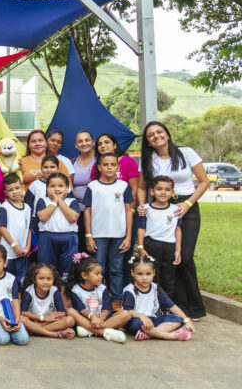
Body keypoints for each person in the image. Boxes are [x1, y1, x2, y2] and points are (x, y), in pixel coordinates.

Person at [137, 121, 209, 320]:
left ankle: (195, 308)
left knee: (185, 258)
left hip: (187, 207)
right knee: (168, 257)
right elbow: (142, 186)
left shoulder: (186, 153)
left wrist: (187, 204)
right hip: (159, 210)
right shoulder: (148, 159)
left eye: (159, 132)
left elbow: (204, 182)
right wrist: (142, 205)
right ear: (148, 142)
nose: (156, 136)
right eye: (151, 135)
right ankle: (175, 306)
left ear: (167, 134)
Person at [83, 153, 134, 304]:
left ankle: (117, 300)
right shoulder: (93, 186)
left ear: (118, 168)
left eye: (113, 164)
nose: (109, 167)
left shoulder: (123, 186)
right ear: (99, 167)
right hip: (98, 234)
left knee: (116, 269)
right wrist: (88, 235)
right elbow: (87, 210)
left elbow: (128, 211)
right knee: (98, 269)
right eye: (105, 165)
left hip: (119, 235)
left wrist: (129, 236)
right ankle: (97, 300)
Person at [123, 255, 195, 341]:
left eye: (148, 274)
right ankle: (171, 336)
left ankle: (149, 334)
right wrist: (141, 316)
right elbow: (127, 311)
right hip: (136, 320)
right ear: (133, 273)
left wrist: (187, 320)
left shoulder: (155, 288)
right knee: (138, 323)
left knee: (177, 319)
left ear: (154, 273)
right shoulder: (130, 290)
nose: (145, 277)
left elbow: (171, 306)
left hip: (152, 320)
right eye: (140, 274)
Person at [136, 176, 183, 301]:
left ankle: (166, 307)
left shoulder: (176, 210)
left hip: (169, 246)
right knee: (150, 277)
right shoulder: (146, 209)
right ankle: (149, 304)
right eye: (159, 189)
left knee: (168, 279)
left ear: (172, 193)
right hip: (151, 245)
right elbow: (141, 228)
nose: (163, 192)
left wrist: (177, 250)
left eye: (167, 190)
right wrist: (140, 246)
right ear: (152, 191)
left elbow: (177, 230)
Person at [65, 254, 130, 342]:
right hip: (86, 319)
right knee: (70, 311)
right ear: (84, 275)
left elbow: (106, 310)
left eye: (101, 273)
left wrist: (99, 321)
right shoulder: (76, 290)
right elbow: (81, 310)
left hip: (102, 319)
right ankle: (106, 333)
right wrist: (92, 317)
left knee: (126, 314)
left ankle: (89, 330)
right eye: (97, 274)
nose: (100, 277)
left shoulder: (102, 288)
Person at [36, 173, 82, 282]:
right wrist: (54, 201)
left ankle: (64, 296)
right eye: (52, 186)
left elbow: (73, 217)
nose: (57, 189)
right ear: (47, 188)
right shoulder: (43, 201)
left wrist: (60, 201)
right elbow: (42, 217)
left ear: (67, 188)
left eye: (61, 186)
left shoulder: (72, 202)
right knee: (46, 270)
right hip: (47, 238)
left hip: (69, 238)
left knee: (67, 273)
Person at [19, 263, 75, 339]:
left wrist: (49, 319)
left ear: (53, 279)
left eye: (49, 279)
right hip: (34, 320)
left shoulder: (54, 290)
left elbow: (61, 312)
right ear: (34, 280)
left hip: (49, 321)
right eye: (41, 278)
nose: (45, 282)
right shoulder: (29, 291)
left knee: (70, 320)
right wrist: (43, 318)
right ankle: (55, 334)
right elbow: (23, 312)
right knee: (22, 319)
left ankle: (34, 330)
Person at [0, 173, 31, 285]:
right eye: (10, 190)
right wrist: (14, 246)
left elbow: (29, 229)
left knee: (20, 282)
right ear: (6, 193)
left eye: (17, 188)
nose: (15, 192)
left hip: (22, 253)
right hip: (9, 253)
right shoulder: (4, 207)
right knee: (7, 282)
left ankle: (18, 301)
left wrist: (28, 246)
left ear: (22, 187)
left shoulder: (27, 208)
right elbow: (2, 228)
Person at [71, 131, 96, 245]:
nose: (84, 143)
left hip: (96, 210)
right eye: (80, 141)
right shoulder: (71, 162)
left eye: (87, 140)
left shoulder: (100, 160)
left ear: (93, 142)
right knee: (80, 245)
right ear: (76, 145)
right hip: (77, 211)